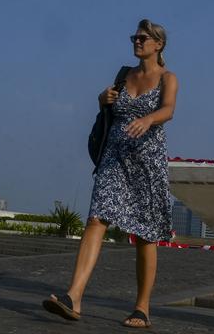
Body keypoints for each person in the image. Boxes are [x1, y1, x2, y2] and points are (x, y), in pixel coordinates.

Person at [43, 19, 179, 329]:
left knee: (145, 234)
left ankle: (142, 308)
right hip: (114, 160)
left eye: (143, 38)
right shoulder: (123, 76)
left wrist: (149, 120)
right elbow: (109, 111)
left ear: (158, 44)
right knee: (95, 219)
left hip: (147, 164)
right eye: (135, 36)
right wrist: (102, 101)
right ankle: (73, 296)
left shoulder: (168, 78)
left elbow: (169, 109)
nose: (137, 41)